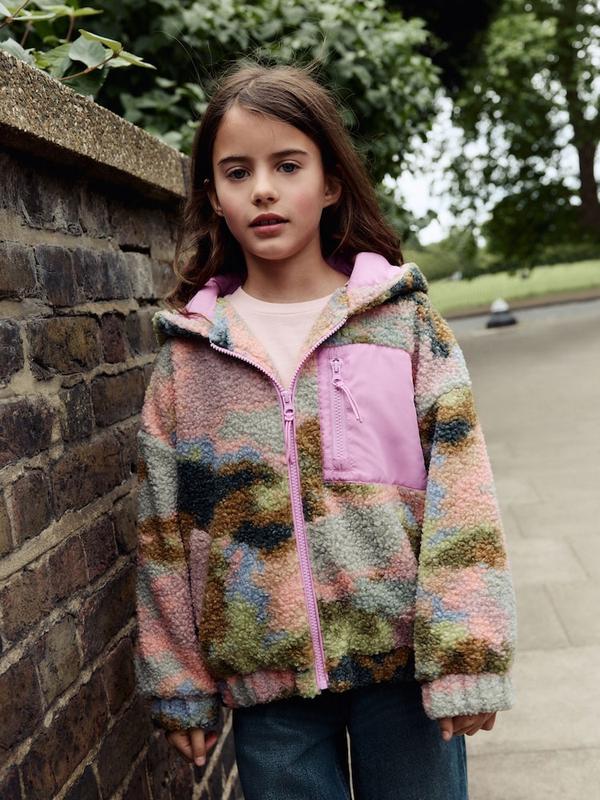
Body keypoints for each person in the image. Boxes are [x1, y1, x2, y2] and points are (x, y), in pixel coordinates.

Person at [134, 57, 517, 800]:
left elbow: (462, 492)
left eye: (288, 165)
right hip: (267, 685)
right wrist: (179, 681)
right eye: (238, 171)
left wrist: (467, 651)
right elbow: (161, 531)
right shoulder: (190, 358)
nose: (264, 189)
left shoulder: (403, 325)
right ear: (212, 196)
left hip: (402, 669)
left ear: (331, 182)